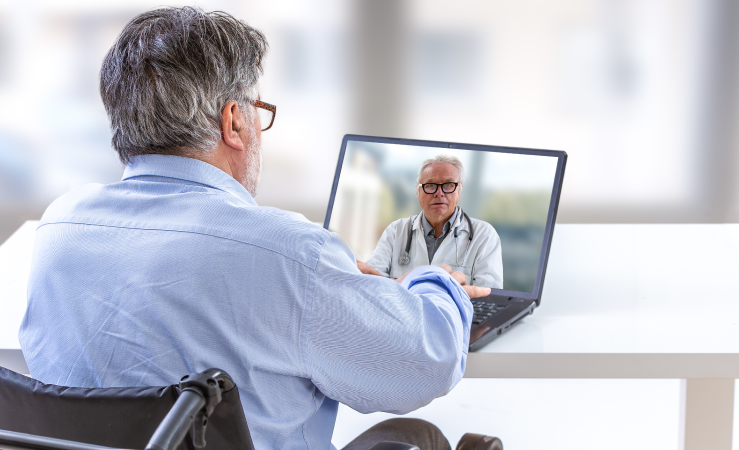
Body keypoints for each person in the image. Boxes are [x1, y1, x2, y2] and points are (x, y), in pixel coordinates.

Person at [17, 7, 502, 450]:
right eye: (257, 111)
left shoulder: (58, 228)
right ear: (234, 121)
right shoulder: (288, 253)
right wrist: (435, 283)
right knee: (423, 437)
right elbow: (429, 360)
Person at [359, 155, 504, 290]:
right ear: (418, 192)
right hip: (401, 314)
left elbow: (488, 294)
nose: (439, 193)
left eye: (448, 185)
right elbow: (372, 282)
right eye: (430, 185)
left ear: (459, 191)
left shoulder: (484, 235)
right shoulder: (396, 231)